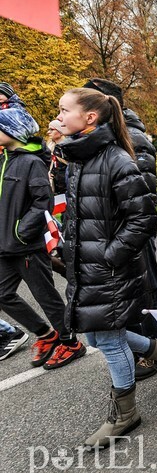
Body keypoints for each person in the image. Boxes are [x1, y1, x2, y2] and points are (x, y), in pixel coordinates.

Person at [57, 88, 157, 447]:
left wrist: (110, 255)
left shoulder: (116, 160)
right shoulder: (79, 157)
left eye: (65, 110)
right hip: (87, 266)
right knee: (96, 335)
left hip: (107, 268)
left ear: (91, 117)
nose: (59, 117)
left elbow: (142, 218)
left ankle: (125, 414)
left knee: (108, 340)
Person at [0, 107, 85, 370]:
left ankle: (71, 343)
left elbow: (42, 202)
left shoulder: (31, 161)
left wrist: (21, 231)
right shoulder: (6, 159)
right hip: (4, 246)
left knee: (46, 296)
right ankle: (46, 335)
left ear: (12, 131)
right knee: (2, 294)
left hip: (25, 245)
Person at [46, 120, 68, 195]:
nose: (48, 132)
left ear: (60, 131)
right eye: (48, 129)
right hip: (54, 189)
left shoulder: (69, 148)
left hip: (66, 190)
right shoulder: (48, 149)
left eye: (51, 129)